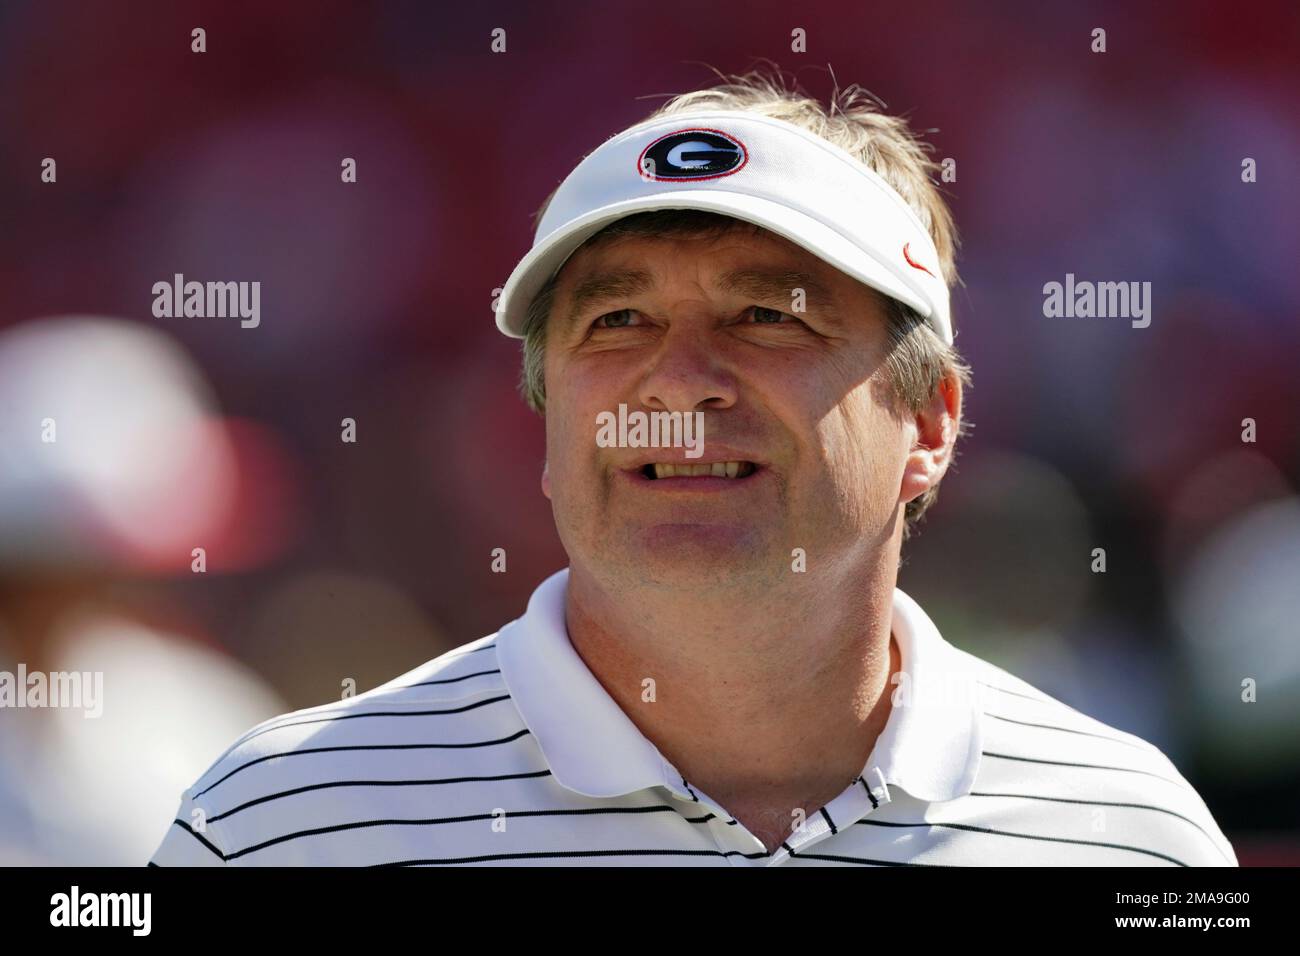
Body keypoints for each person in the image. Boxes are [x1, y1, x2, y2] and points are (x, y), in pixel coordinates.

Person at [148, 72, 1236, 867]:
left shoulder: (1130, 836)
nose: (678, 383)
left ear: (929, 418)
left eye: (766, 315)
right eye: (616, 321)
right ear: (545, 414)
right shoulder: (279, 822)